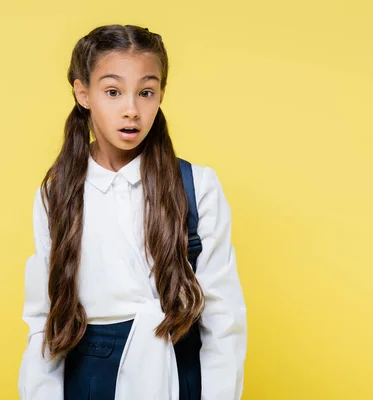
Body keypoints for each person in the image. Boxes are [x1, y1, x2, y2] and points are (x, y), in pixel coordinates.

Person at [17, 24, 247, 400]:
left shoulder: (197, 186)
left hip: (178, 372)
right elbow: (44, 318)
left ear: (160, 95)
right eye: (112, 91)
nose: (131, 110)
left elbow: (224, 318)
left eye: (145, 92)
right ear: (83, 93)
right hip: (91, 379)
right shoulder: (57, 193)